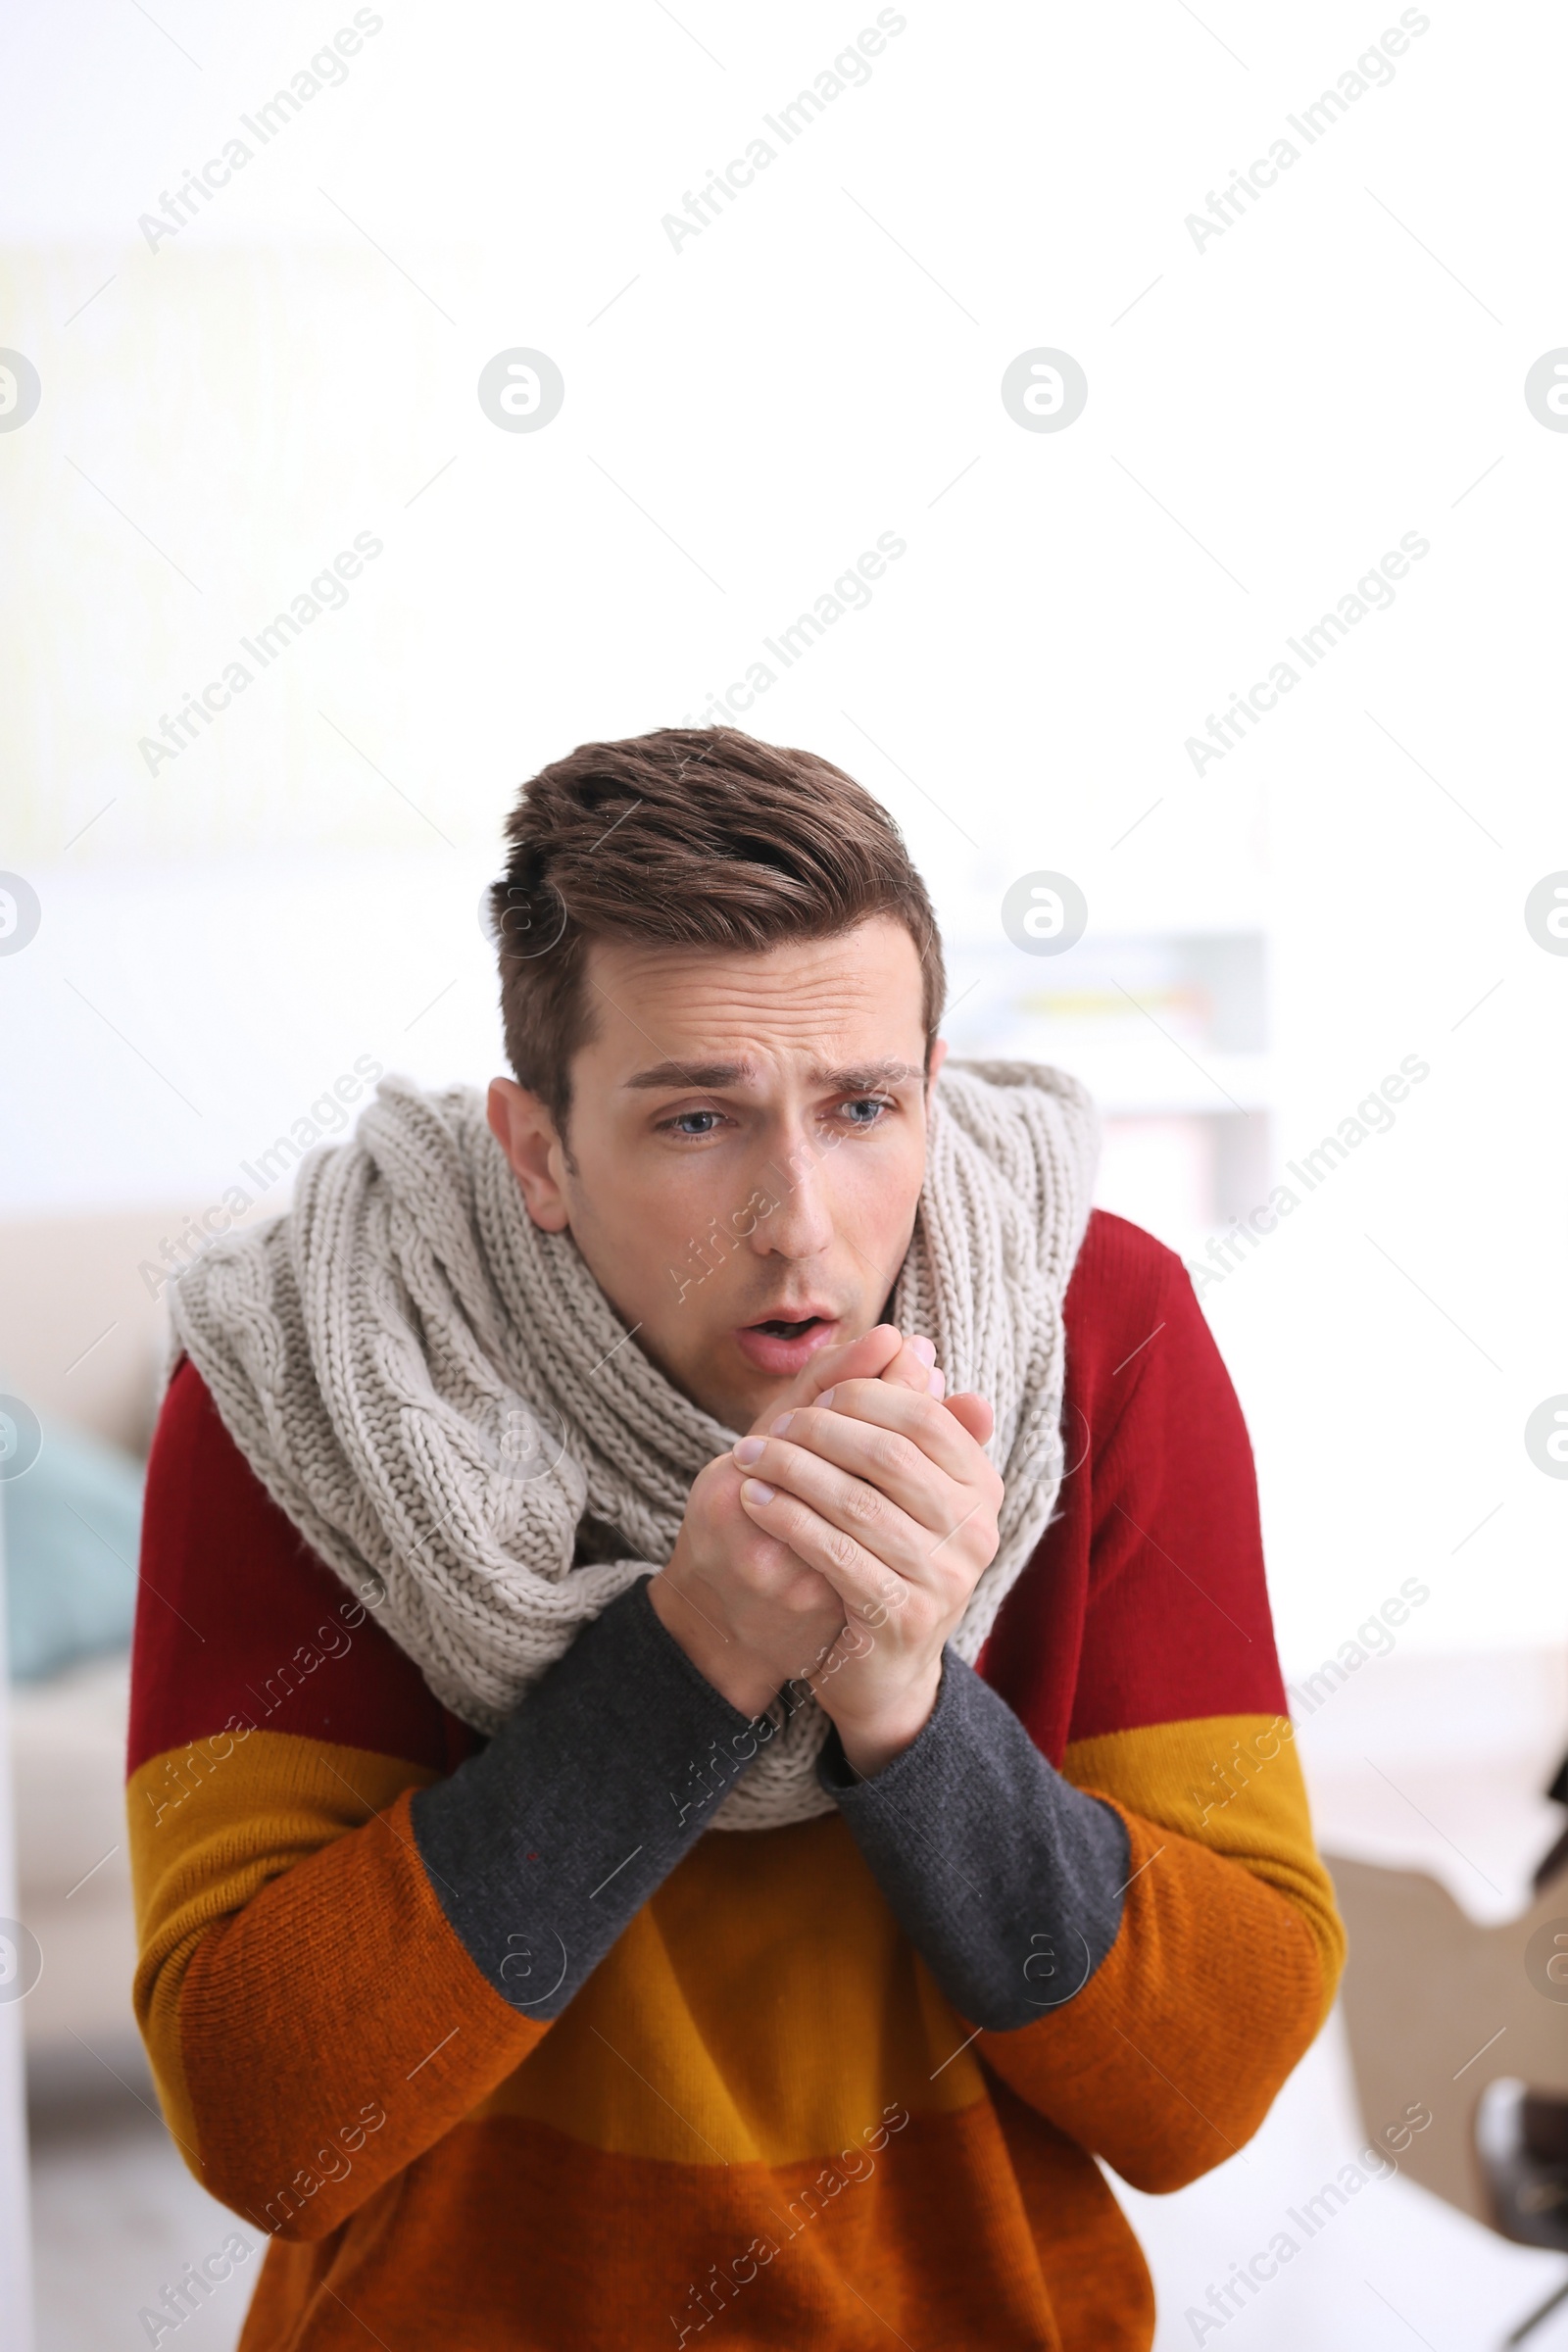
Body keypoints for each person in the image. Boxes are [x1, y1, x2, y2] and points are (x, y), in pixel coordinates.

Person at [126, 725, 1344, 2350]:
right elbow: (269, 2119)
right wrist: (692, 1657)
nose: (803, 1221)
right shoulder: (313, 1375)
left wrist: (908, 1703)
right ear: (540, 1151)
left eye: (861, 1107)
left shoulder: (1095, 1332)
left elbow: (1204, 2085)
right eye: (699, 1121)